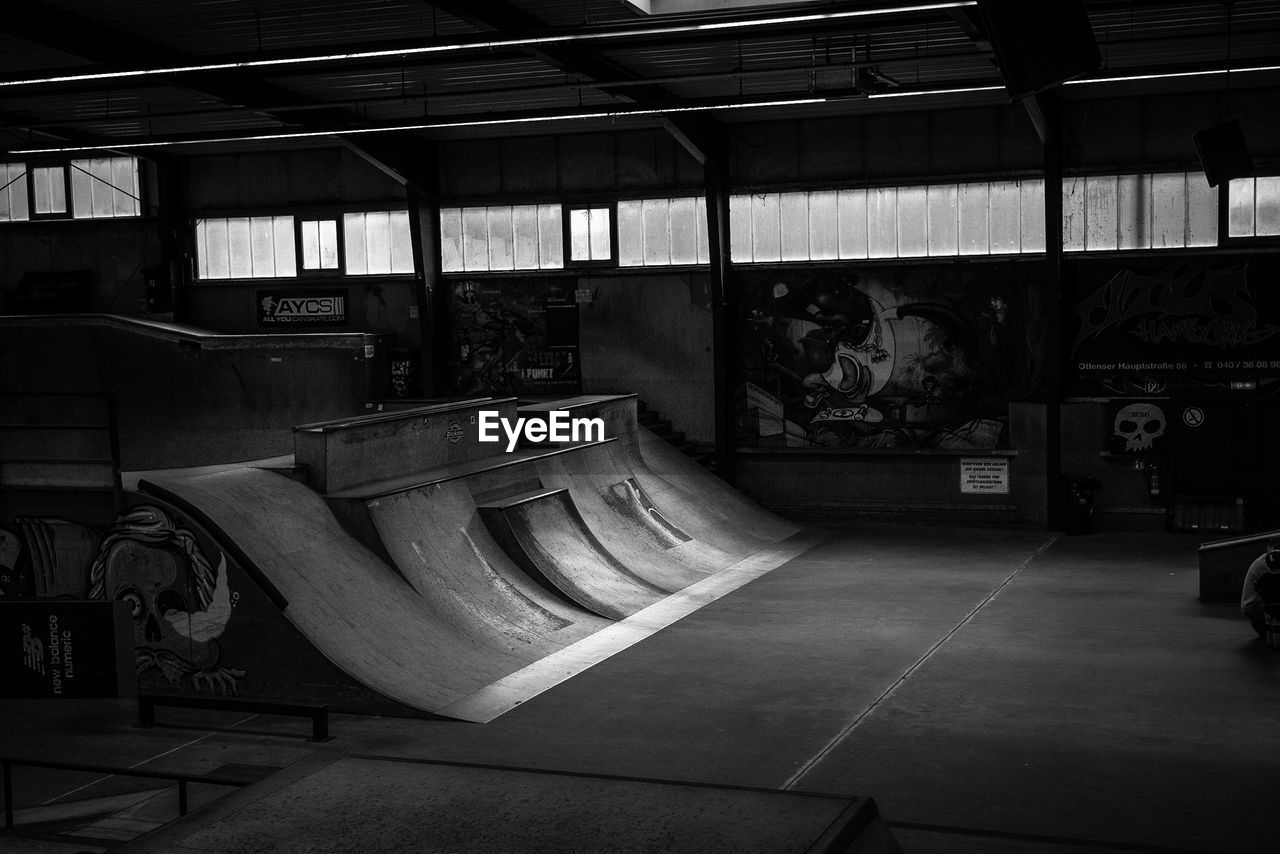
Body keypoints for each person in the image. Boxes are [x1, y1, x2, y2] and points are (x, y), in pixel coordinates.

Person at [1241, 539, 1280, 641]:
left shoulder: (1268, 560)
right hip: (1254, 607)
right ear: (1269, 548)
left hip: (1257, 604)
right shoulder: (1268, 563)